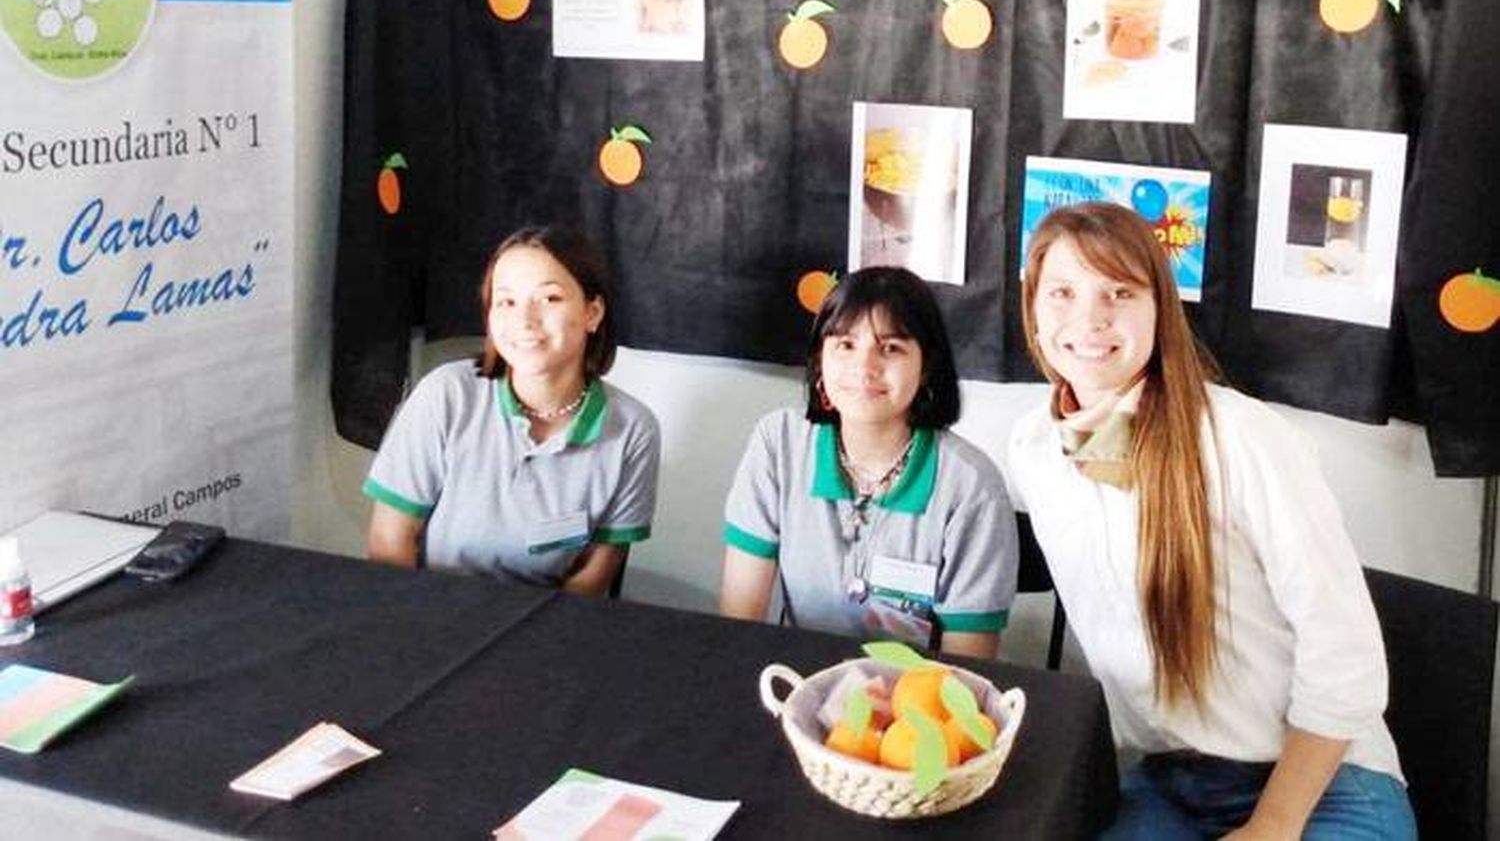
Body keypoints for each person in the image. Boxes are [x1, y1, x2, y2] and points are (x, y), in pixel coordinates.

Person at [1008, 202, 1415, 839]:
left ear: (1159, 307)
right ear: (1032, 303)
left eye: (1120, 291)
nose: (1089, 319)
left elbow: (1347, 653)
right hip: (1167, 779)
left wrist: (1274, 823)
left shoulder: (1241, 438)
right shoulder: (1035, 451)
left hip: (1322, 781)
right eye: (1062, 292)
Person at [720, 266, 1017, 655]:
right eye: (845, 345)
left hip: (913, 700)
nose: (865, 368)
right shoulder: (778, 445)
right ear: (819, 360)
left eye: (891, 348)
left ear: (926, 366)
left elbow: (967, 666)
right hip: (798, 685)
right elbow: (739, 622)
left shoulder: (972, 487)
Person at [364, 225, 661, 596]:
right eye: (506, 302)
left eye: (549, 299)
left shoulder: (633, 429)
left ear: (592, 312)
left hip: (548, 623)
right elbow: (390, 539)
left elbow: (598, 569)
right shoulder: (446, 396)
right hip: (434, 612)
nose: (525, 320)